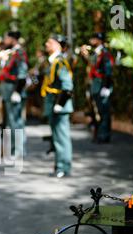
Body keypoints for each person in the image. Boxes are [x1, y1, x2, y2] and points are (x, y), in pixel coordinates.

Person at [41, 34, 74, 178]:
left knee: (61, 137)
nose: (46, 44)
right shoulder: (53, 61)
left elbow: (68, 86)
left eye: (50, 42)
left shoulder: (60, 62)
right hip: (53, 104)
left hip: (59, 105)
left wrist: (60, 104)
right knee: (56, 137)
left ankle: (64, 167)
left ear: (58, 45)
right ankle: (59, 166)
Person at [0, 31, 29, 158]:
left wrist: (17, 91)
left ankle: (19, 150)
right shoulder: (9, 53)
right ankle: (13, 148)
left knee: (16, 121)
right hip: (7, 89)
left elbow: (22, 74)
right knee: (10, 121)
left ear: (13, 39)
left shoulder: (19, 52)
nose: (5, 40)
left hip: (14, 89)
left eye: (7, 38)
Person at [80, 32, 114, 143]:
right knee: (97, 111)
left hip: (101, 85)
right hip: (95, 85)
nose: (91, 41)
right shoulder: (95, 53)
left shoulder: (104, 53)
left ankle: (104, 135)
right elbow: (92, 65)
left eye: (93, 39)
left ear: (99, 40)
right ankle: (99, 134)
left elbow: (108, 71)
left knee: (104, 111)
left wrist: (106, 87)